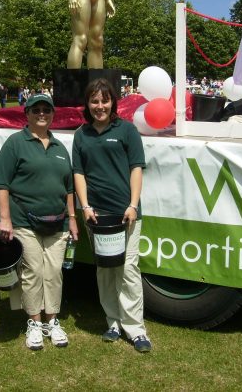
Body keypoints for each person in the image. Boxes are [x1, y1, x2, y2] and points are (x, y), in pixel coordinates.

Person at [72, 78, 152, 353]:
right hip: (97, 216)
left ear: (113, 102)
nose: (99, 106)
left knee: (128, 269)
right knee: (105, 271)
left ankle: (135, 329)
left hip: (126, 214)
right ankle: (113, 323)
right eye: (94, 101)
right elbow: (78, 173)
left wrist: (132, 204)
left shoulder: (128, 131)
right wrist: (84, 206)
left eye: (104, 100)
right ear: (88, 104)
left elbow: (136, 169)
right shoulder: (81, 134)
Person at [0, 94, 78, 350]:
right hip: (23, 221)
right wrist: (5, 218)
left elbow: (69, 188)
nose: (42, 113)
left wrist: (73, 218)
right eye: (36, 110)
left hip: (58, 223)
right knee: (33, 271)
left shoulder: (59, 147)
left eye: (46, 110)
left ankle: (52, 321)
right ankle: (34, 322)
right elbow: (1, 183)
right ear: (27, 114)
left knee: (53, 273)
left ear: (52, 114)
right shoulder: (15, 143)